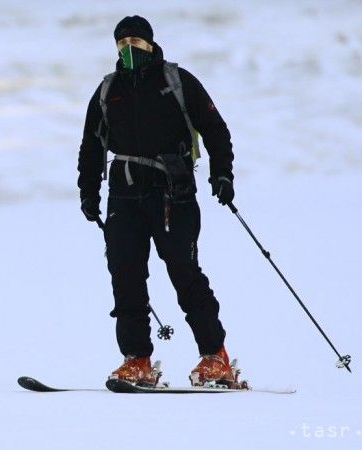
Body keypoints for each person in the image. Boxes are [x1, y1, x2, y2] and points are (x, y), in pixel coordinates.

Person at [78, 16, 239, 387]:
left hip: (173, 194)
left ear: (150, 42)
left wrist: (223, 175)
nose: (127, 48)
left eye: (134, 40)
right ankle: (137, 361)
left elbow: (216, 130)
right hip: (123, 194)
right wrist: (88, 190)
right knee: (125, 275)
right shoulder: (108, 90)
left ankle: (216, 358)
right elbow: (90, 145)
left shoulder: (178, 82)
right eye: (120, 43)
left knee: (185, 272)